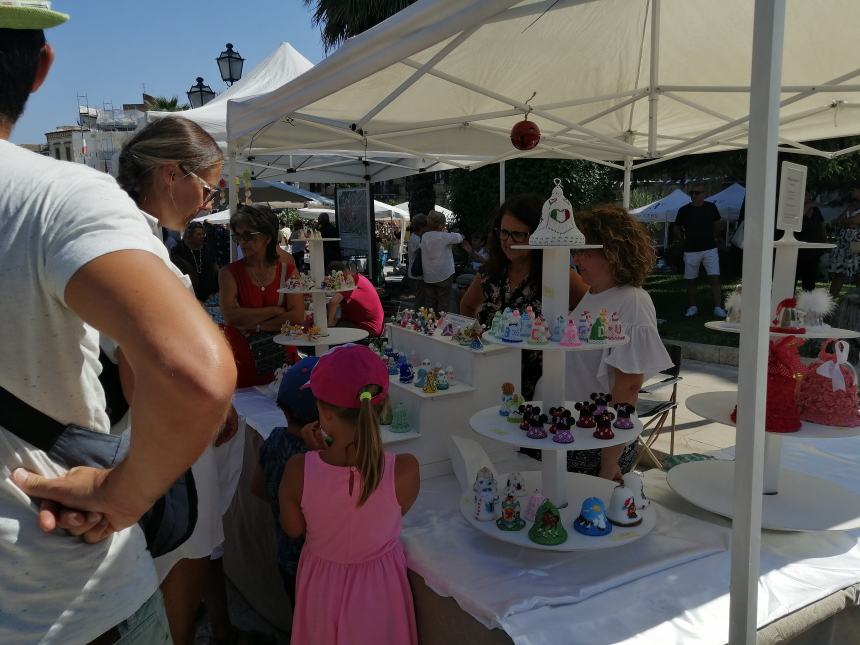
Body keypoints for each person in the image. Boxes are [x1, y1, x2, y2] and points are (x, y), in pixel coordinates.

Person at [0, 8, 236, 643]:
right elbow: (190, 375)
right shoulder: (58, 199)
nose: (210, 203)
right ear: (41, 67)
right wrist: (123, 495)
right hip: (51, 585)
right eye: (208, 190)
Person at [116, 116, 240, 644]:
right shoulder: (136, 250)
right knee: (180, 552)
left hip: (162, 436)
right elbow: (136, 369)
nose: (209, 203)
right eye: (208, 188)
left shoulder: (134, 239)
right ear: (172, 174)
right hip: (164, 441)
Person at [279, 344, 420, 645]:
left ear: (324, 415)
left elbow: (293, 528)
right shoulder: (406, 470)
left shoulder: (297, 471)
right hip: (381, 595)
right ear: (380, 408)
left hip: (322, 592)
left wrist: (312, 457)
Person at [562, 206, 673, 479]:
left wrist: (609, 460)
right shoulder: (594, 294)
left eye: (585, 250)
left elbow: (629, 386)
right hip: (575, 429)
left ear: (612, 251)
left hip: (598, 439)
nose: (577, 258)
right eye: (575, 250)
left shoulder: (632, 302)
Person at [460, 194, 588, 399]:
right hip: (490, 378)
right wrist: (476, 338)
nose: (508, 241)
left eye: (518, 234)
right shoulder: (489, 273)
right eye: (503, 233)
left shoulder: (557, 274)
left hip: (541, 387)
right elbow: (467, 305)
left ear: (538, 234)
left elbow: (592, 306)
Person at [251, 356, 324, 604]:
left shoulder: (274, 439)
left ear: (282, 408)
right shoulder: (321, 458)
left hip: (287, 557)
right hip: (318, 563)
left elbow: (257, 488)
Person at [219, 204, 306, 387]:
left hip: (284, 362)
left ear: (267, 237)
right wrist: (276, 310)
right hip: (245, 363)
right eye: (238, 236)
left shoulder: (288, 271)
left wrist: (254, 324)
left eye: (249, 235)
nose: (242, 242)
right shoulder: (229, 272)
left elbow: (297, 318)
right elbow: (231, 316)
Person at [674, 184, 727, 318]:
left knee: (714, 277)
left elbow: (717, 223)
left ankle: (718, 307)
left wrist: (716, 237)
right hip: (691, 250)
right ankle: (692, 307)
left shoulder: (711, 207)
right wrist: (682, 241)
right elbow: (676, 228)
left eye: (697, 193)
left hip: (710, 248)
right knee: (691, 280)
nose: (694, 195)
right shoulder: (684, 210)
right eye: (692, 193)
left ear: (704, 194)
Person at [420, 210, 471, 313]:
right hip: (444, 274)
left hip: (429, 275)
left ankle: (428, 324)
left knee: (429, 303)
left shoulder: (424, 237)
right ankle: (441, 324)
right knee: (443, 303)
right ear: (440, 225)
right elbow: (459, 237)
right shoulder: (443, 236)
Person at [326, 260, 385, 336]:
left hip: (368, 327)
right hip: (372, 324)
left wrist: (329, 324)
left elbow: (333, 302)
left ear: (339, 275)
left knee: (329, 332)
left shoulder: (350, 281)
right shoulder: (357, 277)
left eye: (333, 278)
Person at [171, 221, 219, 301]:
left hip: (209, 296)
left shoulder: (207, 249)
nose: (202, 236)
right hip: (188, 295)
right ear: (189, 235)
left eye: (203, 234)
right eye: (198, 234)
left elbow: (215, 268)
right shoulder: (178, 250)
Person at [828, 181, 860, 298]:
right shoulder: (851, 206)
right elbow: (835, 221)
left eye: (854, 189)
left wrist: (845, 222)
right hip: (844, 244)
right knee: (839, 273)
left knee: (857, 273)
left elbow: (855, 220)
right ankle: (830, 304)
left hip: (857, 244)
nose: (852, 192)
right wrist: (847, 222)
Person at [795, 192, 827, 291]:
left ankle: (807, 302)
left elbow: (822, 226)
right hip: (799, 250)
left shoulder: (816, 211)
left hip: (813, 250)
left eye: (808, 195)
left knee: (809, 281)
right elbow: (797, 221)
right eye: (805, 194)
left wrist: (824, 240)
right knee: (793, 278)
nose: (808, 197)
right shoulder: (796, 209)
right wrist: (807, 206)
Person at [407, 213, 428, 306]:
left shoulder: (415, 237)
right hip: (417, 273)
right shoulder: (417, 239)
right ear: (422, 227)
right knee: (420, 297)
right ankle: (418, 316)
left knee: (421, 296)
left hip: (415, 272)